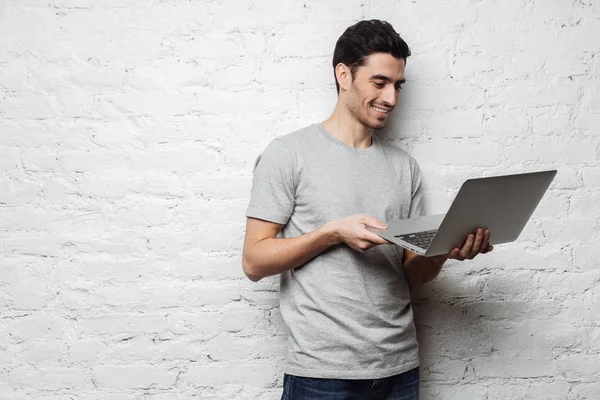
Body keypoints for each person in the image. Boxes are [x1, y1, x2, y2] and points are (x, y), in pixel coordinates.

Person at [242, 19, 493, 400]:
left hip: (399, 369)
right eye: (379, 83)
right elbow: (254, 262)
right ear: (344, 75)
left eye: (398, 85)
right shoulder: (289, 154)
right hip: (322, 376)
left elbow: (413, 276)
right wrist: (332, 233)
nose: (391, 98)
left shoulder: (403, 167)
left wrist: (446, 250)